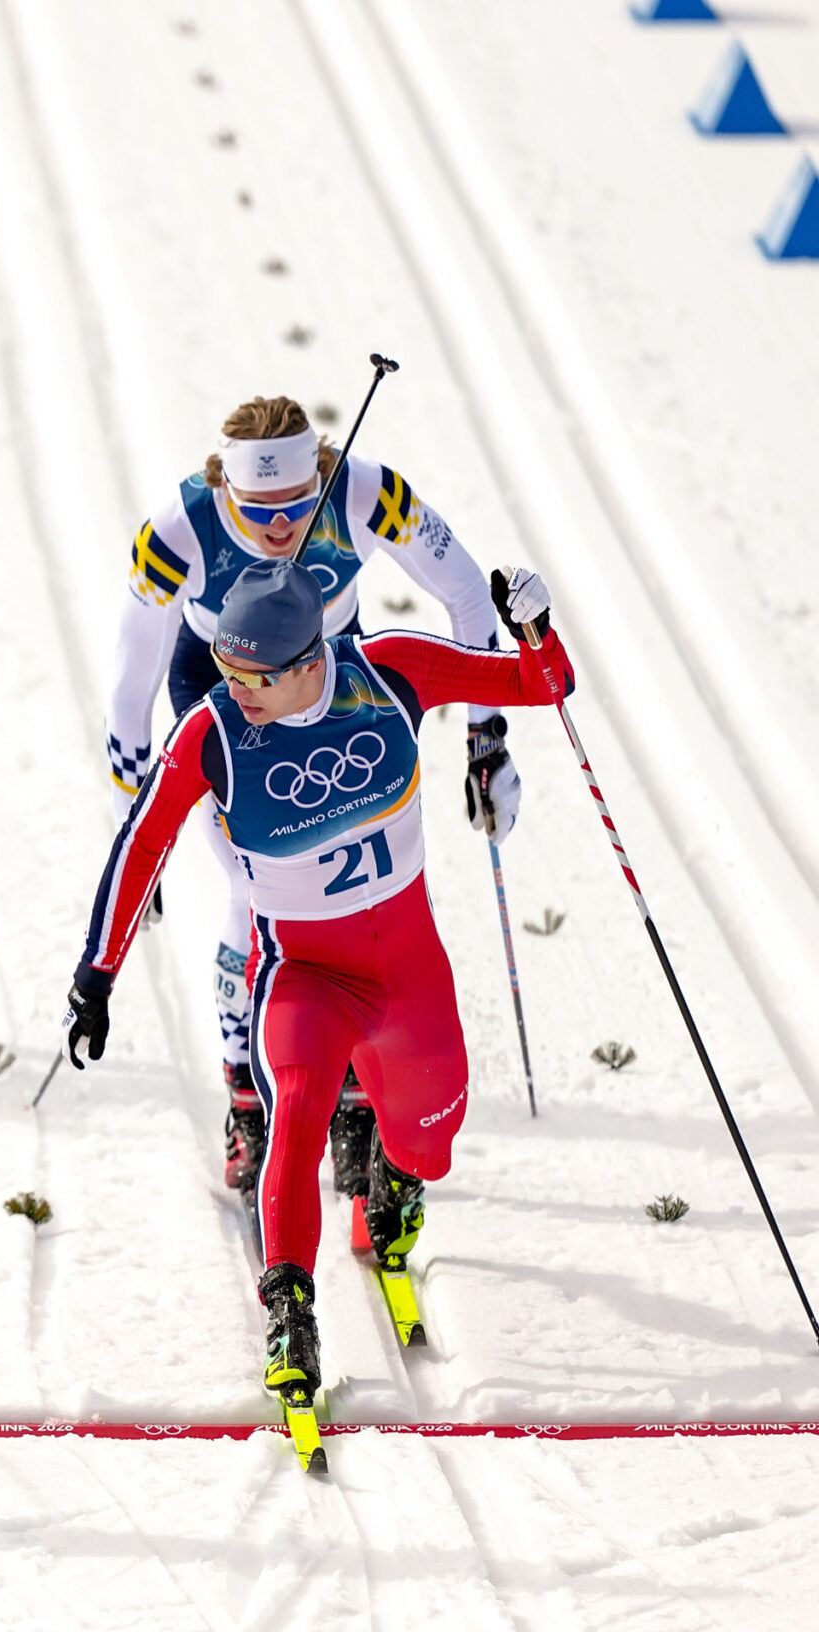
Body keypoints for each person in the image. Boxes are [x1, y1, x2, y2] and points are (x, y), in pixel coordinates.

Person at [62, 559, 572, 1406]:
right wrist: (97, 973)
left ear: (308, 660)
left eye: (252, 678)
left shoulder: (390, 669)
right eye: (223, 673)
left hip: (408, 976)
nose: (233, 693)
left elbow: (543, 685)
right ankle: (289, 1310)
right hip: (304, 976)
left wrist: (535, 625)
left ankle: (397, 1181)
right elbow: (142, 841)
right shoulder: (213, 732)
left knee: (427, 1142)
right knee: (296, 1110)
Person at [106, 394, 518, 1210]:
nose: (280, 523)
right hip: (229, 702)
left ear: (320, 474)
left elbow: (469, 595)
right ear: (222, 485)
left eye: (297, 502)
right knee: (255, 896)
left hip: (339, 686)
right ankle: (248, 1096)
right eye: (255, 508)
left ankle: (360, 1093)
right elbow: (133, 670)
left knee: (373, 890)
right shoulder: (179, 530)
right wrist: (132, 795)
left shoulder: (363, 492)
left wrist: (487, 739)